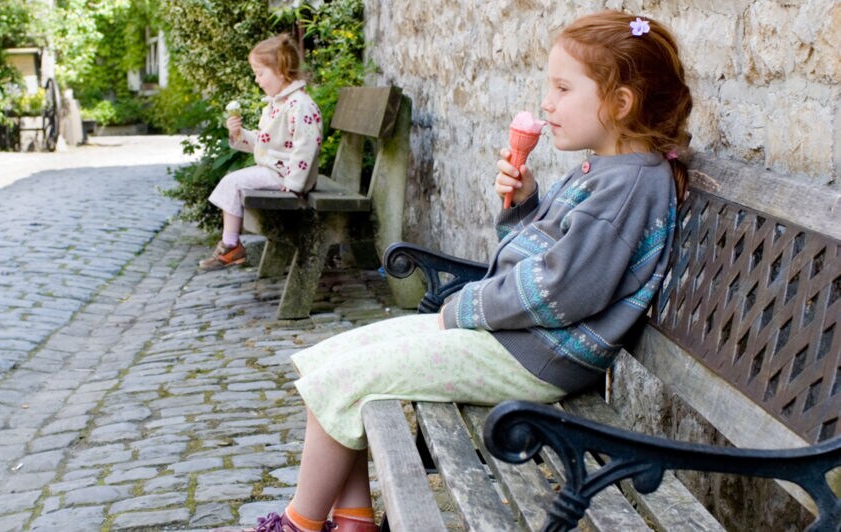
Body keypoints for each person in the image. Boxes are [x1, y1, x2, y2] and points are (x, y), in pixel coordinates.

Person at [223, 10, 694, 532]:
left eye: (562, 88)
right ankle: (352, 519)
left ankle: (300, 525)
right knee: (328, 360)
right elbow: (553, 261)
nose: (546, 103)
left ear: (620, 102)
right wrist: (523, 205)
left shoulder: (626, 185)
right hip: (518, 340)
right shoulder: (610, 171)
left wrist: (467, 308)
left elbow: (563, 289)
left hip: (531, 356)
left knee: (343, 381)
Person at [198, 34, 324, 271]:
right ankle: (230, 245)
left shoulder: (300, 105)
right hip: (277, 172)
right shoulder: (277, 104)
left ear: (281, 70)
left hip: (285, 176)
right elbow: (265, 142)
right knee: (233, 182)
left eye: (260, 73)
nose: (257, 80)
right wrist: (239, 135)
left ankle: (231, 246)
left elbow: (307, 146)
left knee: (232, 182)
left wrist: (295, 184)